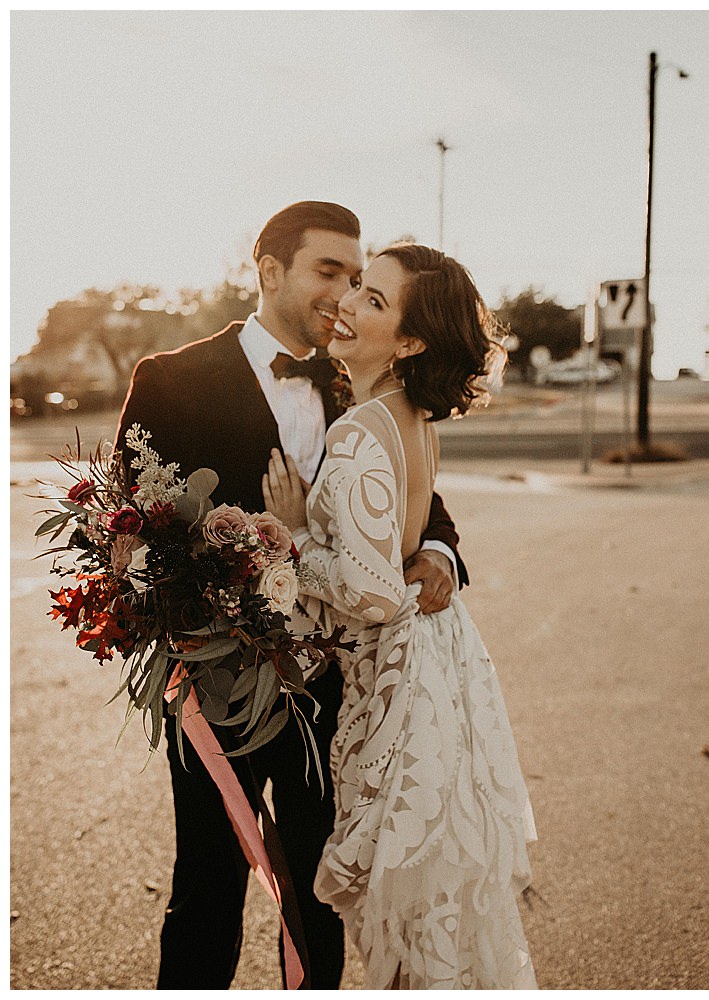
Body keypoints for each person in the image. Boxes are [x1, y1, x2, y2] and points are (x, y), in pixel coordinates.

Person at [114, 203, 466, 989]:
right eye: (327, 271)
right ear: (268, 270)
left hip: (335, 693)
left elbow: (417, 492)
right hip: (219, 690)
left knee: (320, 892)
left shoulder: (363, 379)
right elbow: (129, 529)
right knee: (206, 888)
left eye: (356, 276)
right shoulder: (171, 380)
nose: (344, 294)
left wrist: (439, 546)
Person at [263, 243, 537, 989]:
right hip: (439, 660)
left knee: (403, 903)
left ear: (410, 341)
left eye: (375, 302)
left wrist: (289, 541)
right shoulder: (411, 418)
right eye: (357, 289)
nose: (349, 305)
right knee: (429, 902)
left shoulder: (358, 432)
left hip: (399, 683)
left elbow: (374, 591)